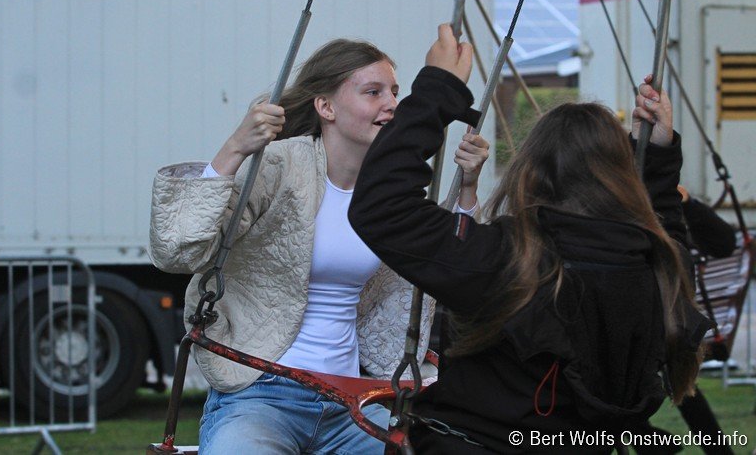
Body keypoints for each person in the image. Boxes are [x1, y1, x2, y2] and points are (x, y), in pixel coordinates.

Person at [349, 24, 711, 453]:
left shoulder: (508, 261)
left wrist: (437, 89)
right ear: (623, 177)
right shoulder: (659, 270)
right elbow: (665, 229)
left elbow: (383, 207)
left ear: (530, 174)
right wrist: (658, 155)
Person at [149, 34, 489, 454]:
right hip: (262, 394)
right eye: (373, 92)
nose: (392, 104)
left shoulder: (389, 190)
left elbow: (451, 267)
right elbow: (178, 250)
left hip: (351, 400)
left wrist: (468, 188)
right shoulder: (280, 165)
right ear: (326, 107)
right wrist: (235, 148)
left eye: (395, 92)